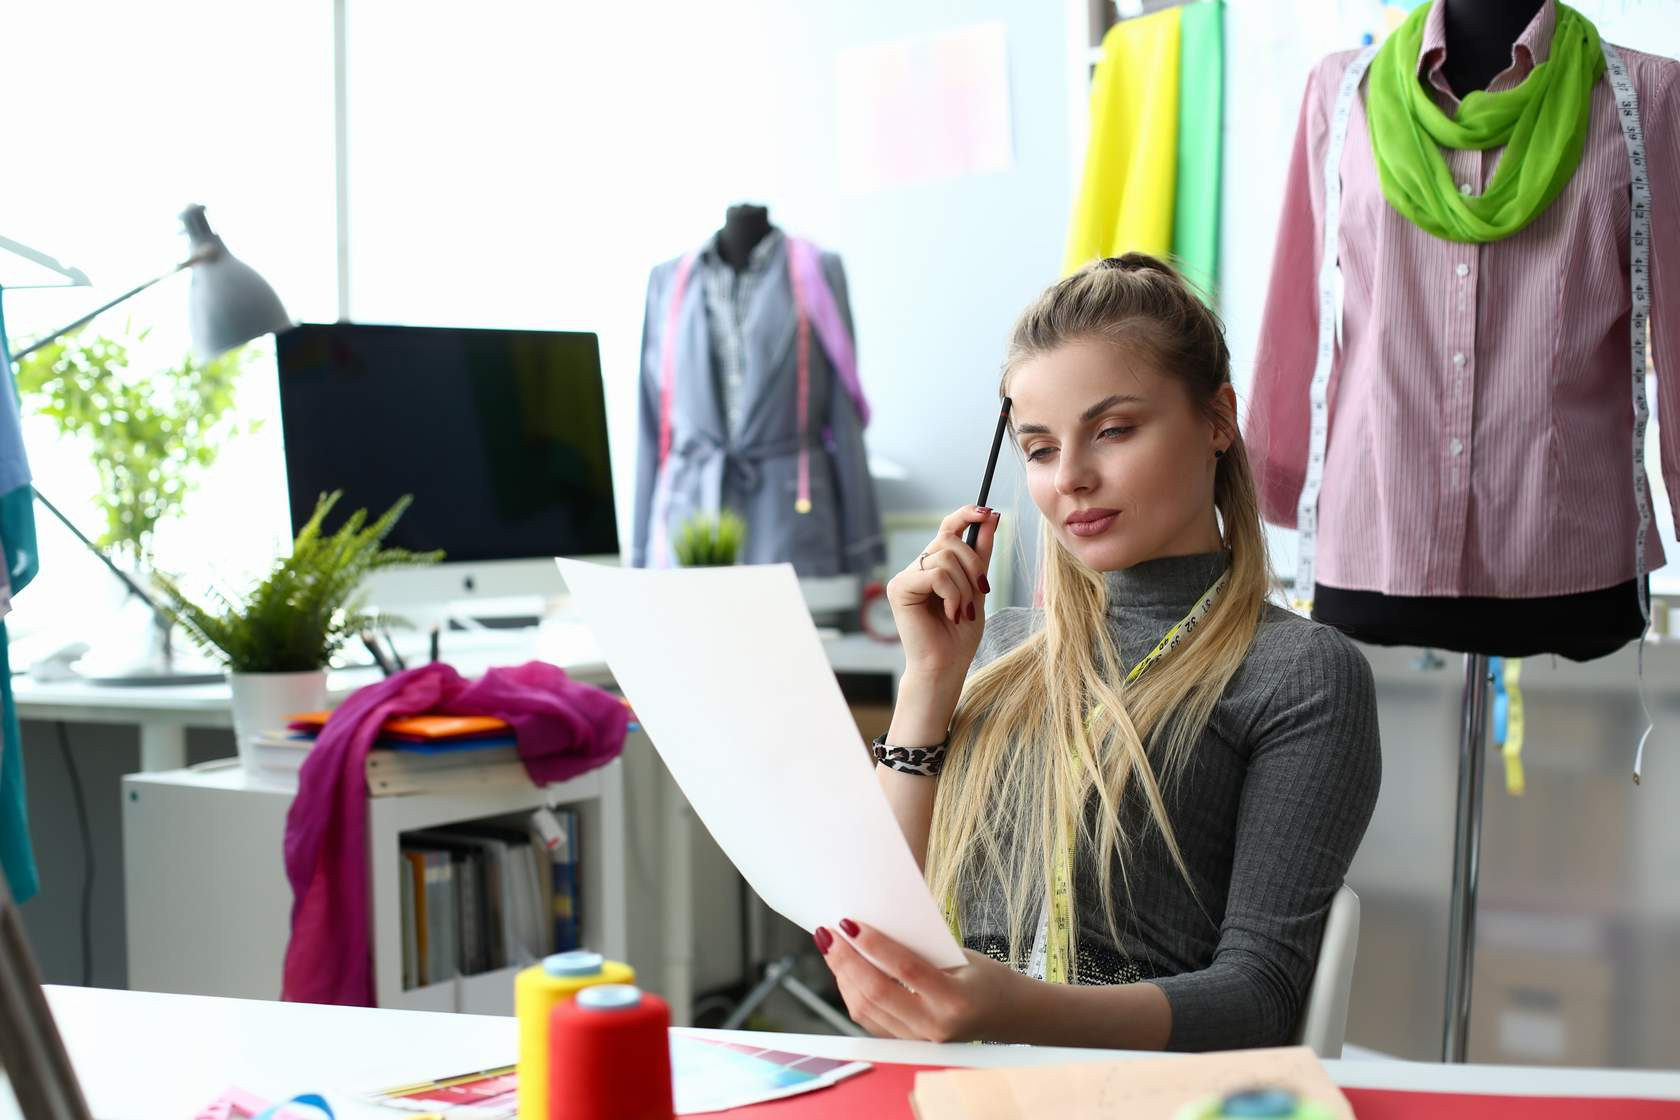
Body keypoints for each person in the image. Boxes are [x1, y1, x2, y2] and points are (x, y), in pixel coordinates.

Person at [816, 254, 1382, 1052]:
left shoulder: (1298, 674)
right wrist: (929, 682)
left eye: (1113, 430)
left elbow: (1263, 998)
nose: (1071, 478)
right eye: (1040, 449)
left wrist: (1011, 1008)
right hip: (954, 1092)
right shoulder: (994, 650)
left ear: (1219, 419)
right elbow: (870, 944)